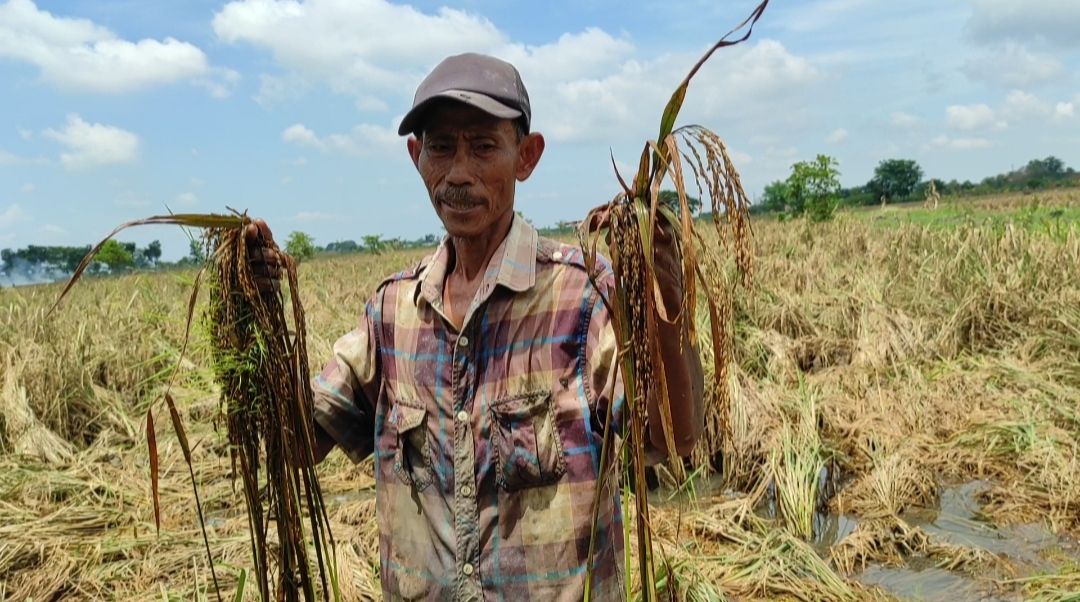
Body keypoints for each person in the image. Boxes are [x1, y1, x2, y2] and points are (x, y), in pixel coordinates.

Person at [246, 52, 703, 602]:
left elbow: (673, 439)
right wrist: (256, 317)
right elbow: (293, 445)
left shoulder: (583, 295)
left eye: (484, 146)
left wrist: (666, 301)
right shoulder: (392, 312)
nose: (459, 172)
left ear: (526, 156)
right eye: (441, 146)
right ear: (417, 157)